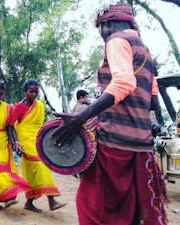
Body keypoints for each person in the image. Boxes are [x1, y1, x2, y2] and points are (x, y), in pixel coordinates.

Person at [52, 2, 167, 224]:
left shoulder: (117, 41)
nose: (101, 34)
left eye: (100, 28)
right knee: (131, 212)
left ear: (108, 23)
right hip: (141, 144)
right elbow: (153, 100)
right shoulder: (144, 48)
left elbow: (124, 83)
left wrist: (81, 118)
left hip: (114, 145)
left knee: (94, 209)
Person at [9, 80, 66, 213]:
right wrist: (16, 143)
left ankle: (29, 202)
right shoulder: (20, 106)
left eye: (36, 92)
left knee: (33, 172)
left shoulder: (39, 105)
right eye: (30, 91)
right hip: (25, 141)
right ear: (25, 91)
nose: (33, 94)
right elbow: (11, 125)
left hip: (37, 139)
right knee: (40, 165)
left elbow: (41, 125)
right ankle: (52, 200)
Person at [0, 81, 31, 211]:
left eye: (1, 94)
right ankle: (8, 197)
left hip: (3, 142)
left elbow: (10, 127)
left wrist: (16, 143)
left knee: (4, 170)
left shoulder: (8, 108)